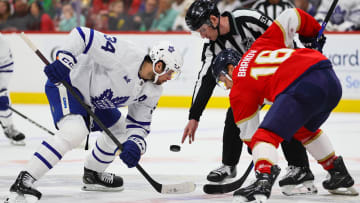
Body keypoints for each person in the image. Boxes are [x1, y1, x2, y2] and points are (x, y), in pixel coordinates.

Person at [5, 27, 182, 202]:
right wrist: (65, 61)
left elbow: (139, 125)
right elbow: (82, 35)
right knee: (75, 131)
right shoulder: (124, 54)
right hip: (68, 85)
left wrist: (135, 145)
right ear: (159, 65)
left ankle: (92, 174)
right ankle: (24, 179)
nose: (170, 78)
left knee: (120, 130)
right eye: (171, 73)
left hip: (96, 102)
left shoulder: (153, 90)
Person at [211, 8, 358, 202]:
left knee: (265, 135)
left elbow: (250, 135)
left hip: (301, 85)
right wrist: (312, 34)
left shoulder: (239, 85)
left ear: (230, 67)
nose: (226, 85)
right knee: (303, 130)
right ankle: (338, 173)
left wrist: (259, 155)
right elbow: (293, 15)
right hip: (329, 77)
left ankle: (263, 181)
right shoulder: (260, 45)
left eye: (222, 79)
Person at [183, 0, 316, 195]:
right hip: (254, 84)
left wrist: (296, 63)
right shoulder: (212, 46)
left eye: (202, 30)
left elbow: (282, 35)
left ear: (213, 19)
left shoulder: (248, 19)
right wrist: (194, 116)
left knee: (284, 113)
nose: (202, 36)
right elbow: (205, 80)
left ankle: (300, 167)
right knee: (235, 112)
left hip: (280, 72)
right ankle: (229, 165)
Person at [0, 34, 26, 146]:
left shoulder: (3, 44)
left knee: (3, 100)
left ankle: (8, 128)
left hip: (2, 71)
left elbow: (6, 68)